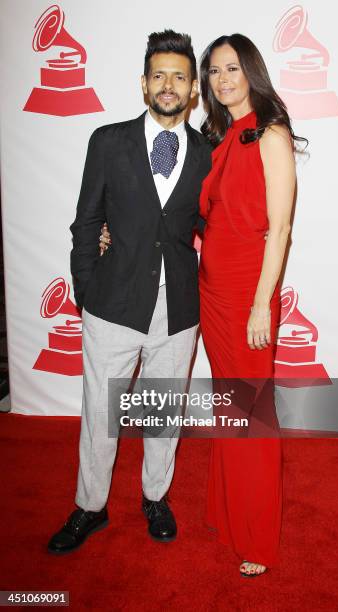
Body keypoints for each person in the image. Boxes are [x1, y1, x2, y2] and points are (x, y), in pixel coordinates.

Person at [47, 30, 212, 555]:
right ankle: (89, 507)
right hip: (112, 303)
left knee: (163, 411)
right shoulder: (108, 141)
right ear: (144, 84)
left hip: (178, 308)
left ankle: (155, 497)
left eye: (180, 77)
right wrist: (88, 288)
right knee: (100, 412)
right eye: (159, 75)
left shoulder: (209, 153)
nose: (169, 85)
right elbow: (86, 221)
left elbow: (214, 225)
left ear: (193, 92)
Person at [198, 34, 302, 576]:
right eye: (214, 71)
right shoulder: (219, 137)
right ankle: (226, 510)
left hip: (247, 294)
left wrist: (262, 304)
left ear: (251, 72)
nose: (222, 79)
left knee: (252, 414)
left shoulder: (270, 135)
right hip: (211, 291)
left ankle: (256, 538)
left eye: (232, 68)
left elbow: (280, 228)